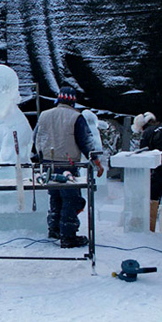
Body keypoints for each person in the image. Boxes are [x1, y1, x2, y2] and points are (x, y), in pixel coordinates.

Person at [34, 86, 104, 248]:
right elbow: (86, 142)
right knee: (71, 199)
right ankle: (68, 236)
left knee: (55, 196)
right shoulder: (76, 117)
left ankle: (54, 229)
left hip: (48, 165)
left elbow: (36, 137)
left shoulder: (44, 115)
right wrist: (96, 163)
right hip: (68, 164)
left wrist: (41, 158)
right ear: (73, 102)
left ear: (59, 99)